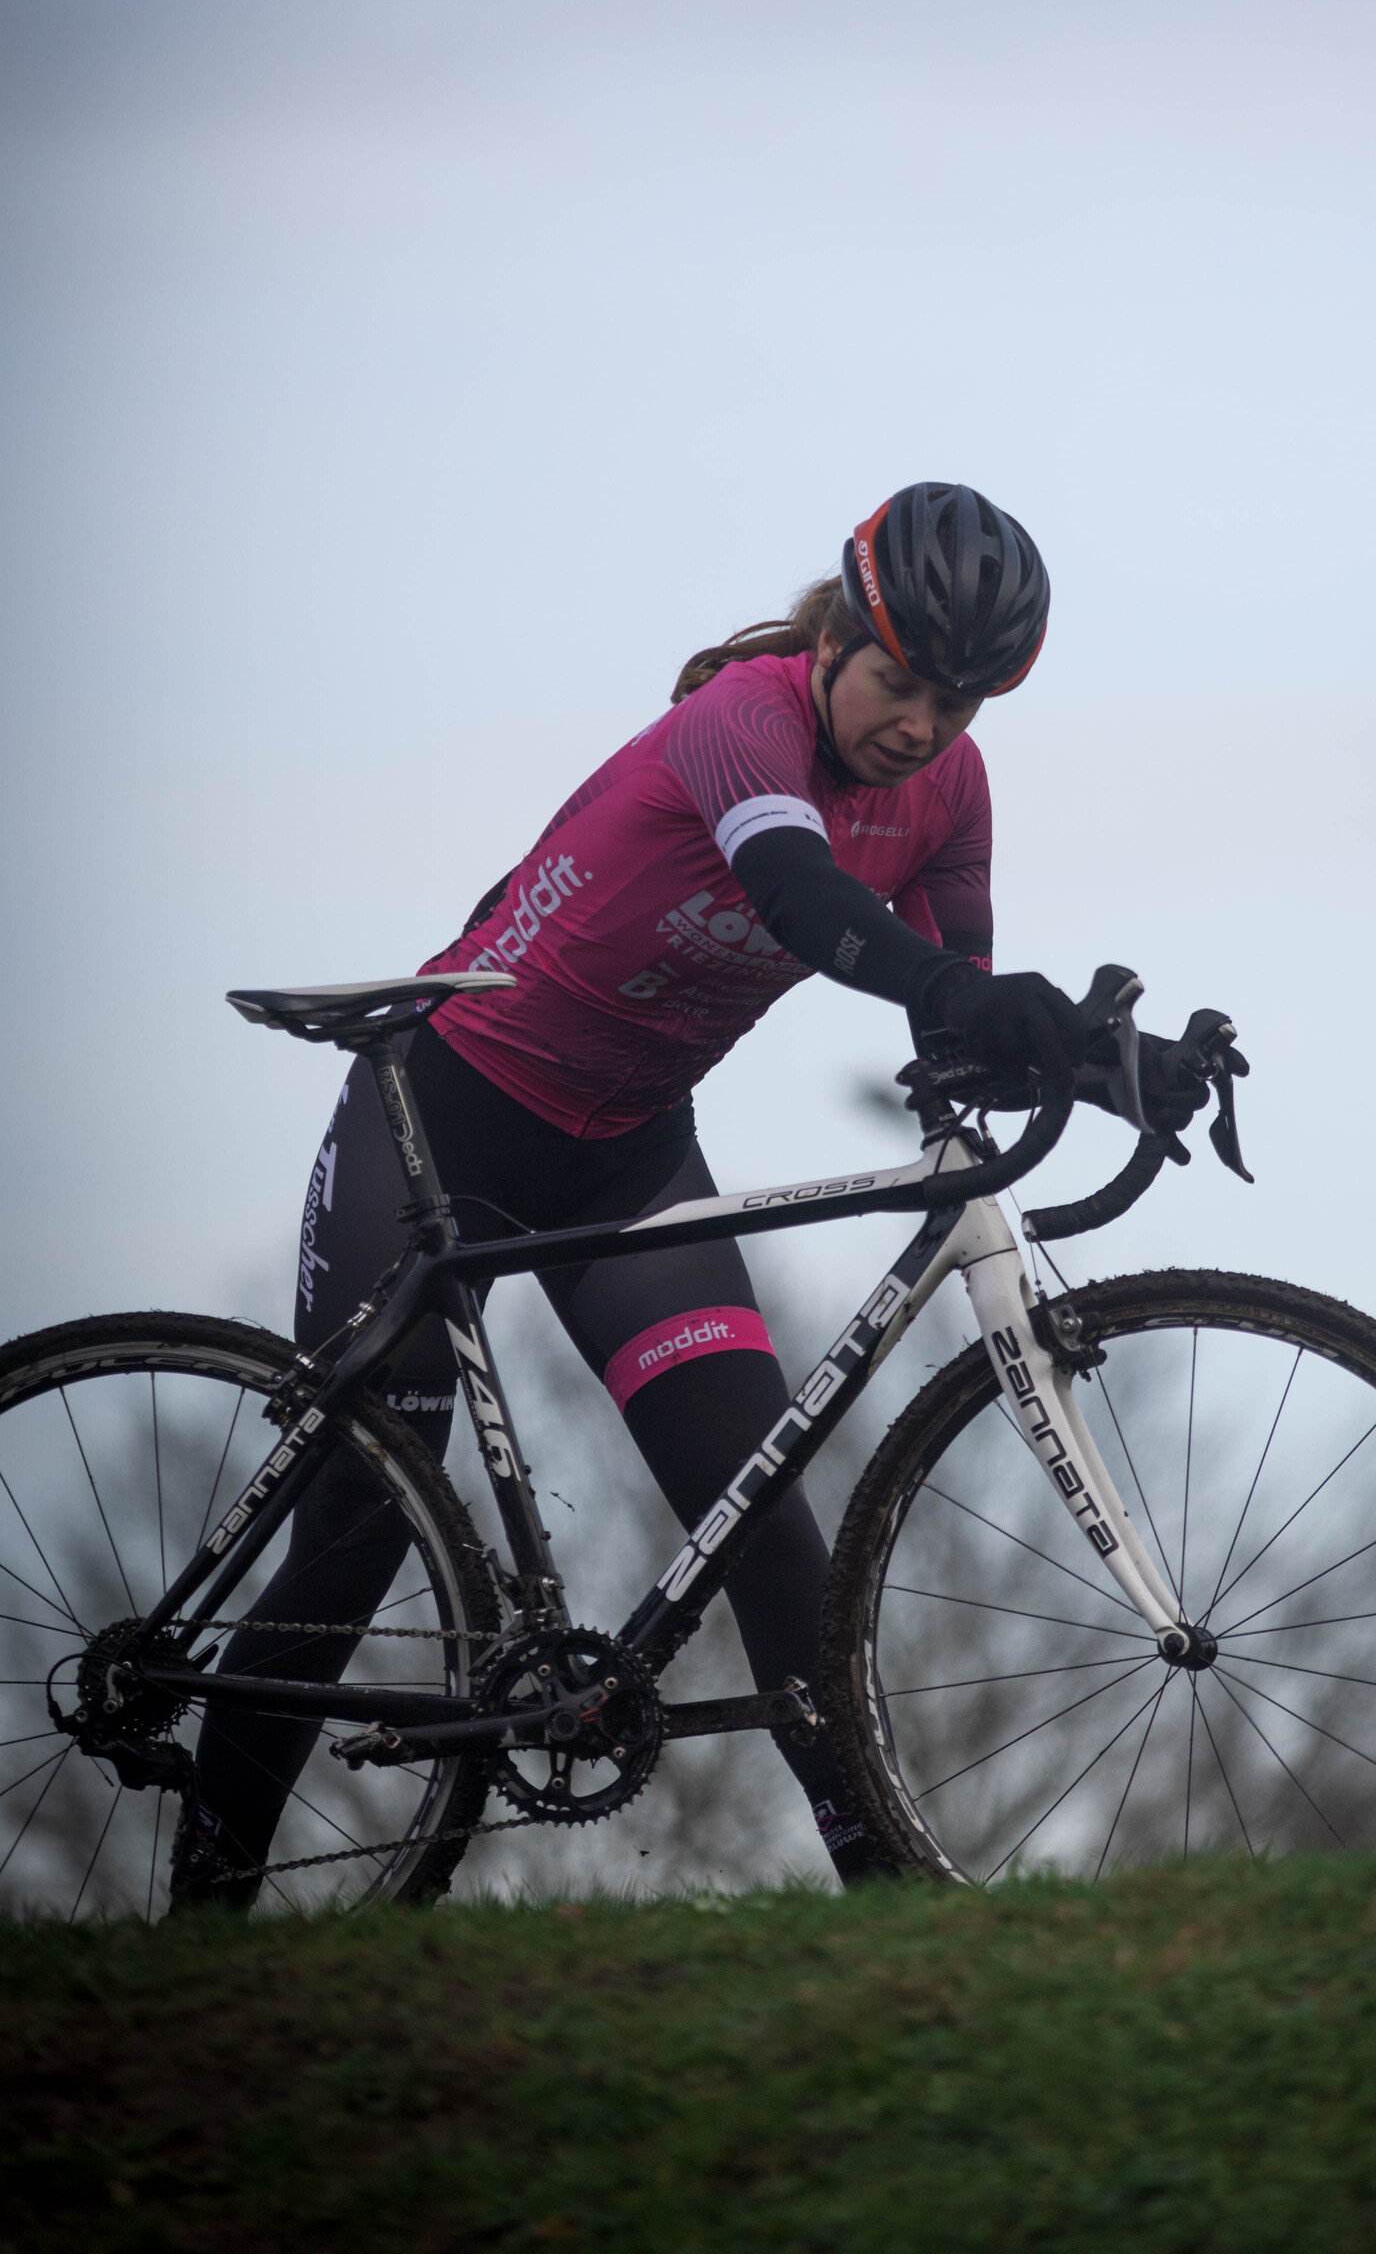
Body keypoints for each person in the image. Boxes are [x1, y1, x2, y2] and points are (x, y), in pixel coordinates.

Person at [173, 482, 1211, 1906]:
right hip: (443, 1125)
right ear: (840, 640)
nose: (920, 726)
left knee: (761, 1508)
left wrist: (1102, 1062)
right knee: (357, 1530)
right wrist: (971, 993)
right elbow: (805, 903)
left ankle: (887, 1901)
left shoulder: (950, 792)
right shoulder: (742, 721)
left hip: (629, 1150)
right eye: (901, 682)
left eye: (957, 707)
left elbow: (957, 1020)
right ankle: (205, 1914)